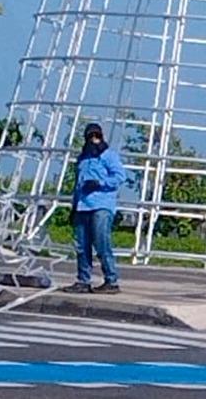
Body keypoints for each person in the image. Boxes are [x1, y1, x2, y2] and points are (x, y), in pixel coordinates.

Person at [61, 123, 127, 294]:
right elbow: (77, 185)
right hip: (82, 206)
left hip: (101, 205)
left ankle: (111, 280)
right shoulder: (83, 159)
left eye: (97, 136)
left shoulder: (108, 156)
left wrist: (100, 183)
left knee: (102, 244)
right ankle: (83, 280)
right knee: (82, 247)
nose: (94, 140)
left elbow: (120, 176)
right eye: (91, 137)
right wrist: (74, 206)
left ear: (101, 136)